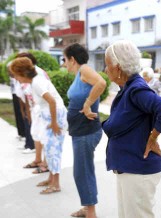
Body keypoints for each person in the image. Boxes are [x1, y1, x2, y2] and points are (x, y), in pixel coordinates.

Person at [103, 40, 161, 218]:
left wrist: (153, 138)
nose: (105, 70)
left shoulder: (136, 90)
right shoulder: (128, 88)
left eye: (107, 65)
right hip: (129, 168)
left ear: (118, 67)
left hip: (138, 170)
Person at [10, 57, 68, 194]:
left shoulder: (37, 83)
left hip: (55, 118)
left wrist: (54, 123)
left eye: (16, 75)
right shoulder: (34, 82)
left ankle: (56, 184)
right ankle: (51, 179)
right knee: (49, 149)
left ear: (22, 73)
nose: (16, 79)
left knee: (54, 151)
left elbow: (52, 101)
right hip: (50, 118)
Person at [62, 43, 106, 218]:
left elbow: (101, 83)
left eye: (65, 59)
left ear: (72, 59)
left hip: (87, 131)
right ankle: (88, 208)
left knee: (82, 171)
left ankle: (91, 213)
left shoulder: (85, 69)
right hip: (80, 131)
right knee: (82, 170)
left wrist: (87, 104)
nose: (64, 63)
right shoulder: (80, 74)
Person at [14, 53, 49, 174]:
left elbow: (48, 97)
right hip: (34, 107)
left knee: (44, 135)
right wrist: (28, 111)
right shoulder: (26, 74)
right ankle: (38, 159)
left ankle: (46, 163)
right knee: (36, 134)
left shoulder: (38, 74)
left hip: (42, 108)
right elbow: (25, 93)